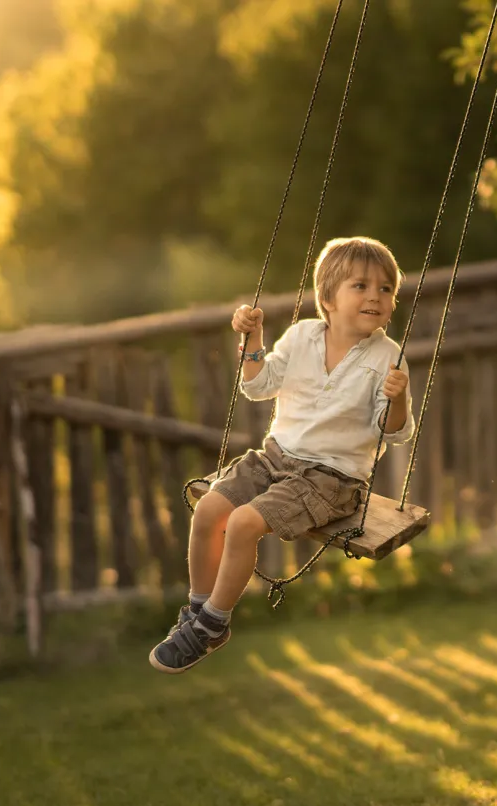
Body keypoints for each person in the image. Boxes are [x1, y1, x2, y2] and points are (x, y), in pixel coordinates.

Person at [150, 236, 417, 674]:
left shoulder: (389, 359)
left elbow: (395, 433)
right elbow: (257, 386)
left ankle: (215, 622)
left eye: (386, 289)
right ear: (328, 298)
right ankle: (198, 612)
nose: (375, 296)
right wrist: (252, 337)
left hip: (331, 479)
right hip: (275, 458)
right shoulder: (301, 336)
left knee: (242, 523)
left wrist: (399, 398)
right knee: (208, 511)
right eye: (361, 286)